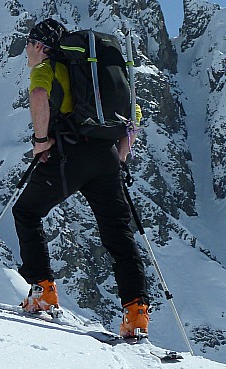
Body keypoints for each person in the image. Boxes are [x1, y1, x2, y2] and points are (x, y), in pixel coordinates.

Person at [13, 18, 150, 337]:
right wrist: (120, 157)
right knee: (118, 232)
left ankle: (43, 292)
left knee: (27, 212)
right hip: (105, 157)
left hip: (69, 155)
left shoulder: (47, 67)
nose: (27, 52)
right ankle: (136, 312)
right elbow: (134, 116)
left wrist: (40, 140)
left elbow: (37, 95)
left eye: (28, 46)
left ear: (38, 46)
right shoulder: (94, 73)